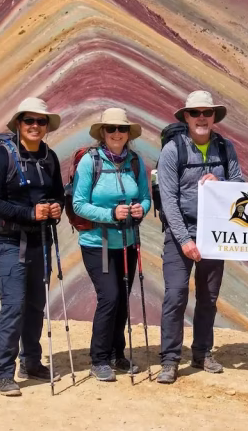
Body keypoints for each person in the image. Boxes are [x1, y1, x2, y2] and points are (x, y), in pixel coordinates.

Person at [156, 90, 244, 384]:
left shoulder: (225, 147)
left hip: (215, 235)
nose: (202, 118)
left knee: (208, 297)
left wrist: (221, 183)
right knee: (176, 295)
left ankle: (202, 352)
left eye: (207, 113)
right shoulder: (173, 151)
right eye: (196, 113)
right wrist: (184, 240)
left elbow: (239, 185)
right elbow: (168, 198)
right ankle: (169, 359)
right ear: (186, 117)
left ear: (214, 117)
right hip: (181, 235)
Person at [0, 97, 65, 397]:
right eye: (29, 120)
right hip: (9, 242)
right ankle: (3, 372)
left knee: (35, 305)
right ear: (18, 123)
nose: (35, 126)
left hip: (40, 240)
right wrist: (30, 213)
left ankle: (30, 361)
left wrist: (56, 207)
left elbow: (58, 194)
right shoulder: (1, 156)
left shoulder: (49, 157)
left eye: (40, 121)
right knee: (14, 306)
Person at [72, 108, 151, 382]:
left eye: (121, 129)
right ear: (102, 134)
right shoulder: (89, 163)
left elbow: (145, 197)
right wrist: (110, 215)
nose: (117, 133)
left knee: (122, 301)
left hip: (128, 243)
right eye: (111, 129)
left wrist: (141, 208)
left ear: (128, 134)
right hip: (97, 244)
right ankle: (100, 358)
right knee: (110, 297)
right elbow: (78, 204)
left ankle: (118, 353)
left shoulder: (135, 162)